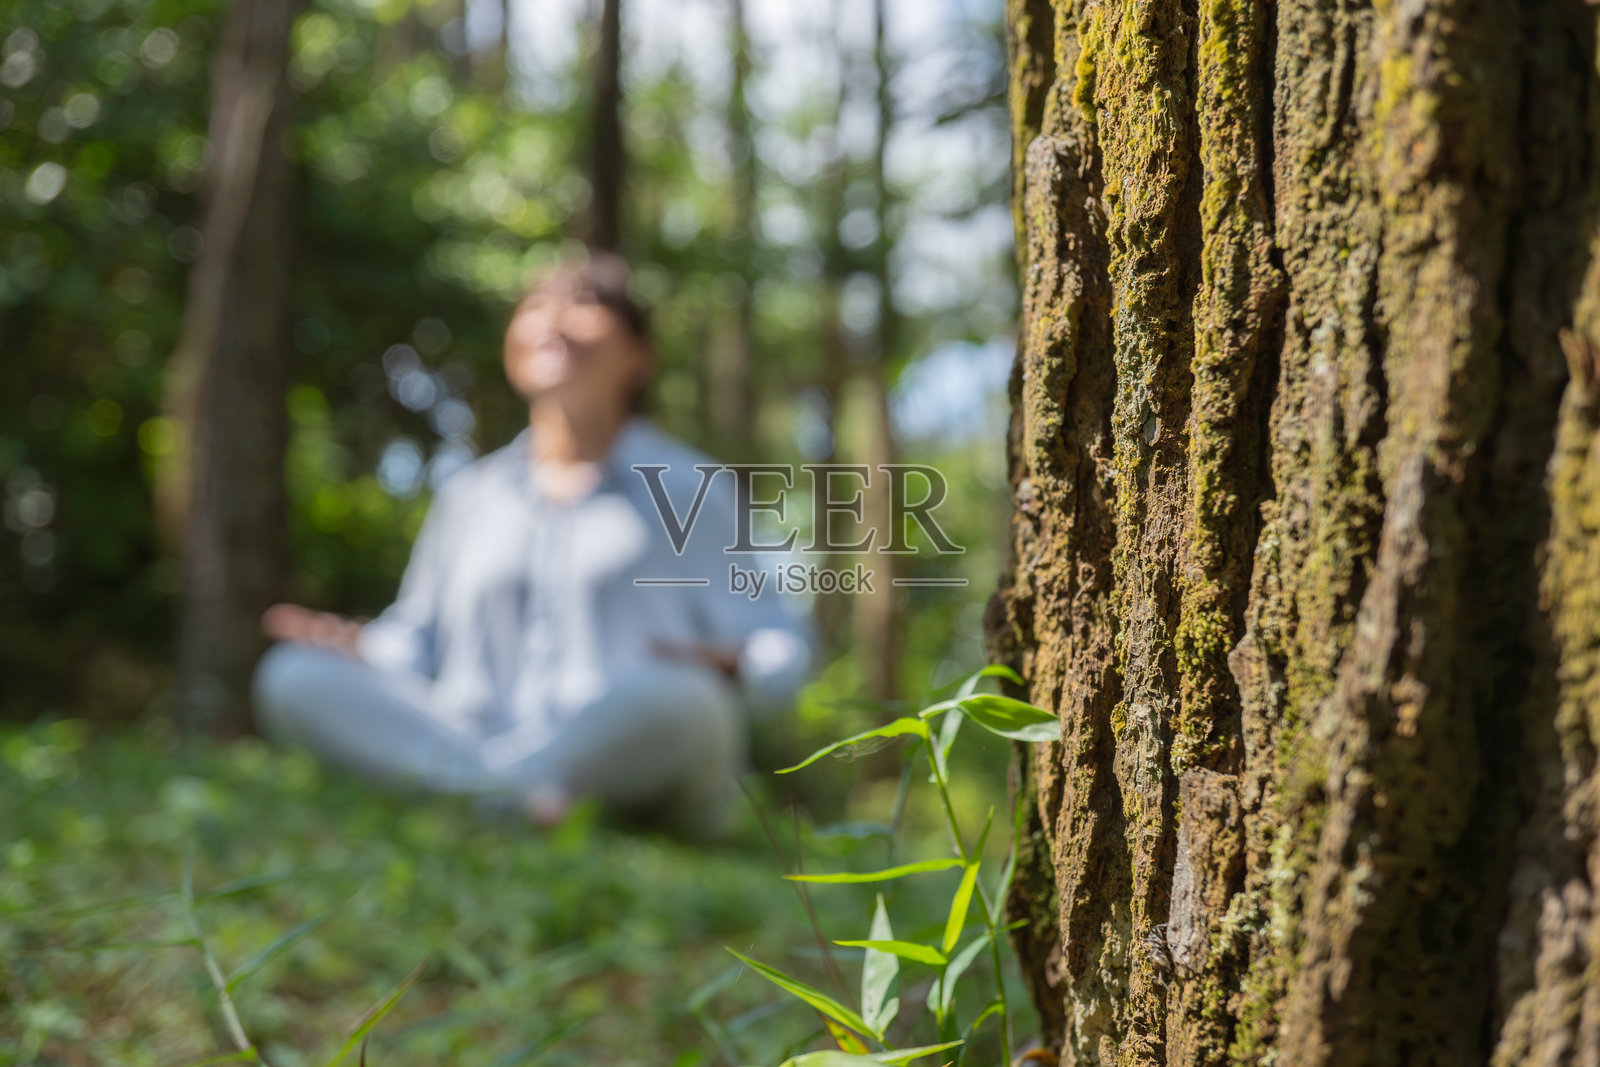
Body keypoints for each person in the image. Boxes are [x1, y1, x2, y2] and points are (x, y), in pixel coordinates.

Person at [251, 251, 811, 832]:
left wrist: (738, 665)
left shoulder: (692, 490)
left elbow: (779, 642)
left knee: (689, 704)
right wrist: (356, 648)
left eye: (584, 304)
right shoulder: (469, 495)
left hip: (628, 748)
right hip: (474, 737)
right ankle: (518, 802)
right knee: (293, 674)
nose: (554, 320)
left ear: (639, 356)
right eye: (536, 305)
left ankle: (485, 799)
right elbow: (414, 645)